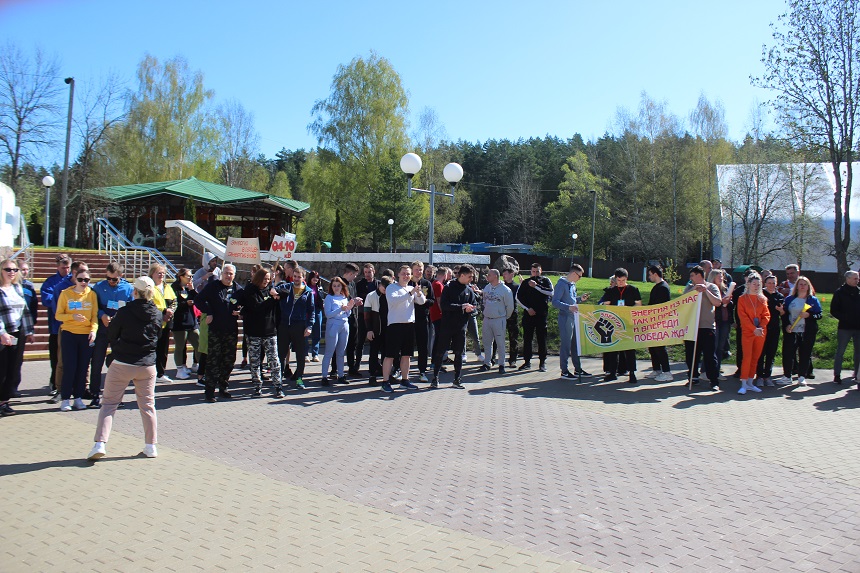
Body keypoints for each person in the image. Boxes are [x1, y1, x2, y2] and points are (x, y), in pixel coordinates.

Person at [86, 276, 162, 460]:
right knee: (148, 406)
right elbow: (158, 335)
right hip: (147, 364)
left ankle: (100, 443)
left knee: (109, 404)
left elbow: (112, 333)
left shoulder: (124, 311)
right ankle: (151, 446)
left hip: (123, 362)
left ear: (134, 292)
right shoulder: (157, 313)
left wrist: (118, 347)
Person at [88, 263, 134, 408]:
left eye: (114, 279)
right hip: (103, 328)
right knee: (97, 362)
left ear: (121, 276)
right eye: (108, 278)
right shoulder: (98, 287)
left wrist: (119, 318)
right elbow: (94, 305)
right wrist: (102, 315)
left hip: (119, 330)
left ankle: (117, 396)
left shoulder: (128, 288)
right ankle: (94, 395)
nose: (111, 281)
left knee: (119, 364)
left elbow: (131, 308)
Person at [195, 264, 241, 402]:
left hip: (231, 330)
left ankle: (223, 387)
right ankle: (209, 391)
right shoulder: (213, 286)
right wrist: (208, 312)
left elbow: (246, 304)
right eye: (226, 273)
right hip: (215, 330)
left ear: (234, 275)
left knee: (229, 360)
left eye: (231, 273)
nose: (228, 276)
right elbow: (198, 300)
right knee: (213, 361)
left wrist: (241, 311)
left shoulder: (238, 289)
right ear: (222, 274)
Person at [55, 267, 99, 411]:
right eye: (80, 279)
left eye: (86, 280)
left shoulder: (92, 294)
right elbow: (58, 315)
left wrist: (93, 330)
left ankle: (78, 398)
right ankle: (65, 399)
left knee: (83, 368)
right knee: (70, 367)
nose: (83, 282)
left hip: (85, 335)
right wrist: (72, 316)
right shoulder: (65, 294)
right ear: (75, 279)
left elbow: (94, 316)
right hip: (69, 333)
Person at [431, 264, 479, 389]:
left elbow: (475, 306)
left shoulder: (469, 290)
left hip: (461, 327)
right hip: (447, 326)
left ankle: (457, 379)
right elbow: (444, 306)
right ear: (462, 275)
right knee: (440, 352)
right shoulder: (449, 287)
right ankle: (435, 378)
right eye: (469, 276)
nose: (471, 279)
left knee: (459, 353)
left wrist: (471, 309)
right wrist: (461, 307)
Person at [381, 265, 425, 392]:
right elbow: (393, 300)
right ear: (398, 275)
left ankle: (405, 380)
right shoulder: (391, 287)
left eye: (408, 274)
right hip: (395, 325)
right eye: (404, 273)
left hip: (409, 325)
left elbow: (422, 301)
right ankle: (385, 382)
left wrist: (418, 293)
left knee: (406, 355)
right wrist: (410, 293)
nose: (406, 276)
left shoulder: (411, 288)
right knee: (390, 355)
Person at [239, 267, 282, 397]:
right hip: (254, 332)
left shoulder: (271, 290)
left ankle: (278, 386)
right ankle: (257, 386)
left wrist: (276, 293)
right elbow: (258, 307)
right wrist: (272, 299)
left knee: (274, 359)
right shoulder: (250, 290)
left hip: (270, 331)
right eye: (264, 279)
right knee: (255, 361)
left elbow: (285, 292)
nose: (266, 281)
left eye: (268, 279)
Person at [0, 259, 35, 416]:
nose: (12, 272)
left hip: (17, 332)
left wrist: (29, 331)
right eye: (8, 269)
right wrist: (2, 333)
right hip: (3, 332)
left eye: (14, 270)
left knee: (13, 368)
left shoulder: (17, 288)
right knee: (2, 369)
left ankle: (4, 401)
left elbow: (25, 310)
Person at [272, 267, 316, 389]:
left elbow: (311, 311)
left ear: (303, 278)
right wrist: (275, 294)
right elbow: (273, 289)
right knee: (281, 354)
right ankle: (278, 379)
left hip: (299, 326)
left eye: (299, 277)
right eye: (295, 276)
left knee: (300, 355)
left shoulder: (308, 292)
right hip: (284, 325)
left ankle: (299, 379)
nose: (296, 279)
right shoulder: (286, 287)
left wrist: (309, 326)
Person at [682, 266, 722, 391]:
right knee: (691, 354)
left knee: (710, 355)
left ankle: (713, 380)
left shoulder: (712, 287)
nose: (690, 278)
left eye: (692, 275)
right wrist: (694, 290)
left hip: (707, 326)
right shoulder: (689, 287)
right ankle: (693, 377)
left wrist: (705, 291)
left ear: (699, 275)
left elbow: (717, 302)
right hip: (692, 326)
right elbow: (682, 302)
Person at [778, 276, 823, 387]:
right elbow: (784, 314)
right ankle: (787, 376)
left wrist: (809, 315)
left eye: (805, 284)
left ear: (808, 286)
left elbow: (819, 314)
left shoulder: (813, 300)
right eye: (800, 284)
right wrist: (787, 325)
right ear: (797, 286)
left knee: (805, 354)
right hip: (792, 331)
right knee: (788, 353)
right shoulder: (789, 299)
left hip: (807, 332)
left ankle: (802, 377)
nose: (802, 286)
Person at [600, 268, 642, 383]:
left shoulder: (633, 289)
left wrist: (628, 310)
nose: (621, 283)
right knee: (613, 348)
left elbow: (638, 304)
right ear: (615, 279)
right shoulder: (611, 291)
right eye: (618, 280)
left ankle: (632, 373)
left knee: (629, 349)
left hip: (628, 322)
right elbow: (606, 304)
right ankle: (612, 372)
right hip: (614, 323)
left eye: (623, 280)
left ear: (626, 279)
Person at [40, 255, 72, 400]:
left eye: (68, 267)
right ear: (57, 267)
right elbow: (47, 300)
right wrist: (63, 303)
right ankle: (54, 384)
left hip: (72, 326)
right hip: (56, 327)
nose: (66, 270)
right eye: (63, 268)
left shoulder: (73, 280)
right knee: (56, 359)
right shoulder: (51, 282)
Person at [552, 264, 591, 379]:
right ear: (574, 273)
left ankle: (578, 369)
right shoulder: (561, 284)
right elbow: (555, 302)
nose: (580, 278)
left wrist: (580, 299)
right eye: (580, 276)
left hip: (573, 317)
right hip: (565, 317)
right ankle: (564, 371)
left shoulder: (572, 285)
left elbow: (572, 300)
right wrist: (568, 307)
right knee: (566, 344)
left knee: (575, 344)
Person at [736, 272, 770, 395]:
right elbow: (743, 317)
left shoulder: (763, 299)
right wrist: (753, 328)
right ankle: (744, 383)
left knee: (755, 357)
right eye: (754, 284)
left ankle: (750, 382)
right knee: (747, 357)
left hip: (760, 332)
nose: (756, 286)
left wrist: (760, 327)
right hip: (748, 332)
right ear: (748, 284)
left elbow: (766, 315)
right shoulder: (742, 299)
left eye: (758, 284)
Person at [516, 263, 553, 372]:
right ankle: (527, 362)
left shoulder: (545, 281)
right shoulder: (526, 282)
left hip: (541, 315)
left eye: (537, 271)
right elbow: (518, 297)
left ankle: (542, 363)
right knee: (527, 339)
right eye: (533, 271)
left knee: (542, 339)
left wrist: (536, 286)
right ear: (530, 272)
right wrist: (528, 308)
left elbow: (551, 292)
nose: (535, 274)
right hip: (529, 315)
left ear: (541, 271)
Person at [322, 277, 358, 386]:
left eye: (338, 285)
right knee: (329, 352)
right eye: (334, 286)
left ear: (342, 286)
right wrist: (340, 309)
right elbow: (328, 314)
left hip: (344, 324)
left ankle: (341, 375)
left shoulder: (344, 297)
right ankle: (324, 376)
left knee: (341, 352)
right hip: (333, 325)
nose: (336, 288)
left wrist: (349, 308)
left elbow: (347, 313)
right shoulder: (329, 298)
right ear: (331, 287)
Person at [10, 258, 37, 399]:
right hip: (5, 329)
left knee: (16, 360)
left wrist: (30, 329)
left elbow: (30, 309)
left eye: (26, 269)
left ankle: (12, 388)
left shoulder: (26, 287)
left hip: (20, 327)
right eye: (22, 269)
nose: (24, 272)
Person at [480, 269, 514, 374]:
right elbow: (484, 301)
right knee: (487, 342)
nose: (487, 276)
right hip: (487, 319)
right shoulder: (487, 287)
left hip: (499, 319)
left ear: (495, 276)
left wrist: (504, 316)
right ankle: (487, 363)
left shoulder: (505, 290)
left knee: (500, 343)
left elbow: (510, 306)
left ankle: (501, 364)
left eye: (489, 275)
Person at [830, 270, 860, 386]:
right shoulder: (840, 292)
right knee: (840, 351)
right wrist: (845, 318)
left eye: (858, 278)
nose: (857, 280)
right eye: (855, 278)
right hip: (845, 327)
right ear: (848, 279)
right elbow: (834, 310)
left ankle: (857, 374)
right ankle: (837, 375)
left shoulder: (859, 292)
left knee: (858, 353)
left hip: (858, 327)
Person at [170, 267, 199, 380]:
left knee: (198, 343)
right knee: (180, 346)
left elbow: (198, 299)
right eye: (189, 276)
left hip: (191, 321)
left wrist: (192, 290)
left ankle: (199, 365)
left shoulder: (189, 288)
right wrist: (185, 303)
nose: (191, 278)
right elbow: (174, 304)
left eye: (192, 276)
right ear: (181, 276)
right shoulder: (174, 288)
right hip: (180, 322)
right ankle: (180, 369)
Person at [149, 264, 177, 383]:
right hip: (153, 323)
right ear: (152, 273)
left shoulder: (167, 287)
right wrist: (163, 312)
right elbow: (149, 304)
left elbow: (174, 301)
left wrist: (170, 312)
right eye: (158, 273)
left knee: (163, 349)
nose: (161, 275)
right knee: (152, 349)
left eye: (163, 273)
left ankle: (160, 373)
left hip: (167, 323)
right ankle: (150, 373)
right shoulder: (149, 287)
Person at [646, 266, 674, 382]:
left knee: (659, 347)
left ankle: (667, 372)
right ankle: (656, 369)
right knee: (652, 346)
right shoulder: (657, 287)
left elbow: (661, 306)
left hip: (659, 322)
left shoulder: (663, 288)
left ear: (655, 274)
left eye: (650, 274)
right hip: (653, 320)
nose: (649, 277)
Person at [756, 275, 785, 387]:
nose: (771, 285)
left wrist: (781, 311)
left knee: (771, 353)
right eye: (769, 283)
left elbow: (783, 314)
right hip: (762, 327)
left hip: (774, 327)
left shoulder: (779, 296)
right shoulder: (760, 295)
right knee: (760, 352)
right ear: (765, 283)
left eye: (774, 283)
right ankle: (759, 376)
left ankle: (767, 376)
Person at [364, 276, 392, 386]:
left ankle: (387, 375)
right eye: (384, 287)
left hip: (388, 329)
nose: (386, 290)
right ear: (380, 285)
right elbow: (367, 315)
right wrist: (369, 330)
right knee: (373, 353)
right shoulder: (371, 296)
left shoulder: (390, 296)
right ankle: (372, 375)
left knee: (387, 353)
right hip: (376, 329)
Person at [410, 260, 435, 381]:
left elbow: (432, 301)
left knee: (422, 346)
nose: (418, 272)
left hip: (422, 319)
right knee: (406, 346)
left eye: (420, 269)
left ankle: (422, 371)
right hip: (407, 319)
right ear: (412, 270)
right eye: (416, 269)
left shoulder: (426, 283)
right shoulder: (407, 283)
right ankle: (399, 370)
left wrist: (423, 300)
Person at [710, 269, 733, 382]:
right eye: (718, 276)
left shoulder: (725, 289)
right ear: (713, 277)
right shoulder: (710, 289)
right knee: (713, 347)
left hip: (725, 321)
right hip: (715, 320)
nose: (721, 278)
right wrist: (721, 303)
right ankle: (708, 371)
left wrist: (729, 302)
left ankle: (717, 370)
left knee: (720, 347)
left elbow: (730, 306)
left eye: (722, 276)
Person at [354, 263, 378, 370]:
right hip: (362, 315)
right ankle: (357, 364)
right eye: (365, 272)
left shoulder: (378, 284)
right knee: (360, 341)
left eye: (369, 272)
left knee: (375, 342)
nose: (367, 274)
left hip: (375, 317)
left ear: (374, 272)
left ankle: (374, 365)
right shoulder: (359, 284)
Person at [339, 263, 361, 377]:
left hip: (352, 317)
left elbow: (352, 297)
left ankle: (351, 367)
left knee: (353, 343)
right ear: (350, 273)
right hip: (341, 318)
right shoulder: (339, 283)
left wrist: (356, 302)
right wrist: (352, 302)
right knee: (339, 344)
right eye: (355, 275)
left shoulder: (352, 284)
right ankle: (335, 369)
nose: (355, 277)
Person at [306, 270, 324, 362]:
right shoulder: (306, 287)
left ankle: (315, 354)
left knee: (317, 333)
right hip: (308, 311)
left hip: (317, 311)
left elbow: (321, 299)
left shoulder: (319, 288)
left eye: (317, 277)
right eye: (313, 277)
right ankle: (305, 354)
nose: (315, 279)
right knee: (306, 332)